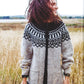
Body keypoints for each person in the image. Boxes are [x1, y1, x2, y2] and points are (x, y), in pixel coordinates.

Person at [20, 0, 74, 84]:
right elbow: (26, 56)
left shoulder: (61, 27)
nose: (57, 7)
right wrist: (24, 78)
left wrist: (67, 76)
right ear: (42, 6)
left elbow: (68, 53)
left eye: (56, 4)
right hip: (34, 80)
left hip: (56, 80)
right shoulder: (30, 28)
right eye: (53, 4)